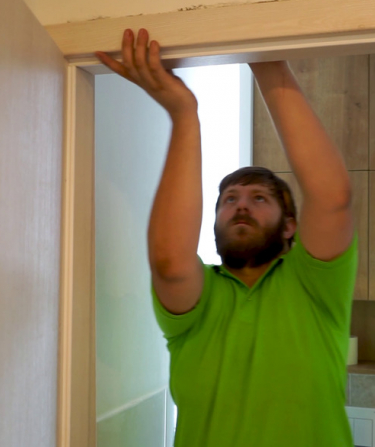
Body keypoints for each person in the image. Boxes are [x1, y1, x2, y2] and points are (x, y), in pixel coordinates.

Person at [96, 28, 357, 447]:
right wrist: (184, 114)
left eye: (259, 198)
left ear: (290, 226)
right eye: (229, 200)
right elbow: (169, 261)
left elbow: (332, 197)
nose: (241, 206)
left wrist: (262, 51)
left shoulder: (314, 286)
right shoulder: (203, 299)